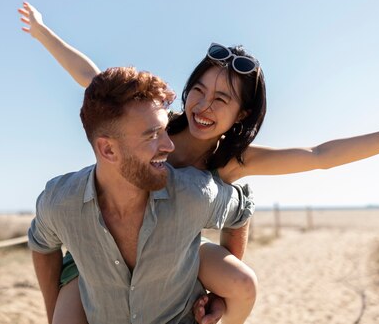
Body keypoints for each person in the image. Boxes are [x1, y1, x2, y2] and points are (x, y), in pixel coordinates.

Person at [18, 2, 379, 324]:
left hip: (173, 253)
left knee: (239, 283)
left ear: (243, 115)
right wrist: (41, 32)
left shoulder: (232, 162)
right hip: (101, 253)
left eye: (222, 99)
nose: (203, 104)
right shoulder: (157, 128)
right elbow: (91, 77)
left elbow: (320, 156)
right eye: (199, 88)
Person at [28, 67, 254, 324]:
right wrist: (53, 312)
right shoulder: (60, 202)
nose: (169, 146)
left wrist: (220, 292)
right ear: (108, 150)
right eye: (152, 135)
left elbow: (241, 210)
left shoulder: (193, 193)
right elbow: (41, 243)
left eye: (165, 130)